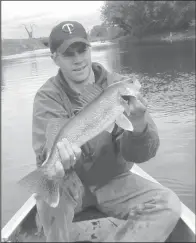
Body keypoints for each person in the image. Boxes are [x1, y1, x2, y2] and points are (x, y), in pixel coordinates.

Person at [33, 21, 181, 242]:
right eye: (68, 54)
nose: (78, 59)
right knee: (49, 201)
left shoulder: (116, 85)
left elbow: (141, 155)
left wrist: (139, 123)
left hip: (113, 178)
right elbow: (46, 150)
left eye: (82, 49)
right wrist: (57, 165)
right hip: (70, 182)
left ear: (90, 48)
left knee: (167, 204)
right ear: (54, 58)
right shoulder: (47, 97)